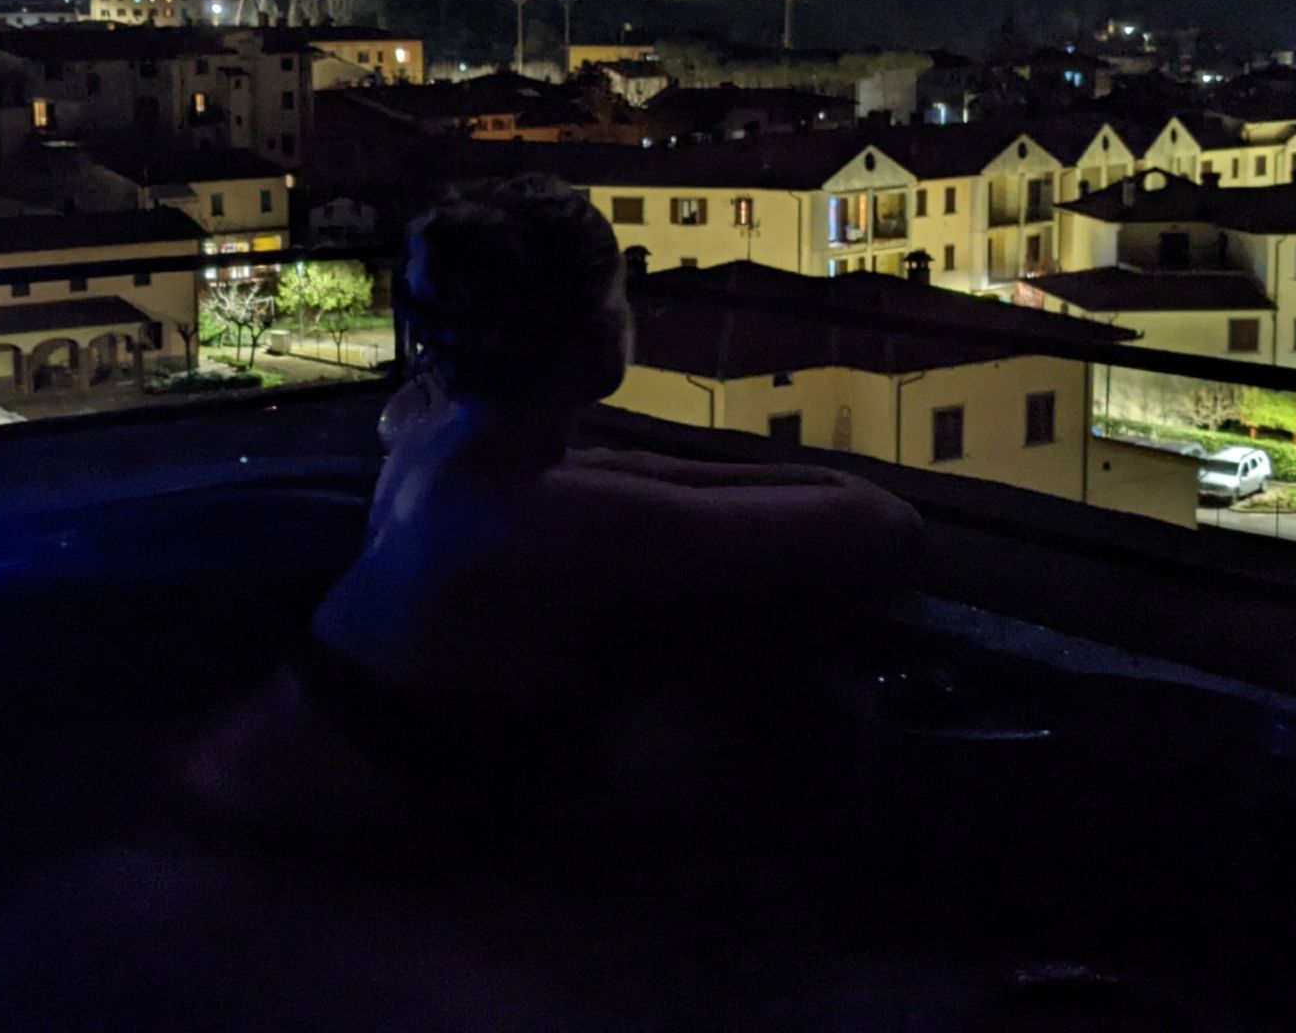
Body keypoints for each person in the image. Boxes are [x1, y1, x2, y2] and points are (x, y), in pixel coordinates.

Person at [185, 175, 921, 834]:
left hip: (247, 777)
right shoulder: (542, 512)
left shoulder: (424, 428)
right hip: (295, 851)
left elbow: (600, 473)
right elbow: (881, 523)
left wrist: (639, 472)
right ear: (602, 333)